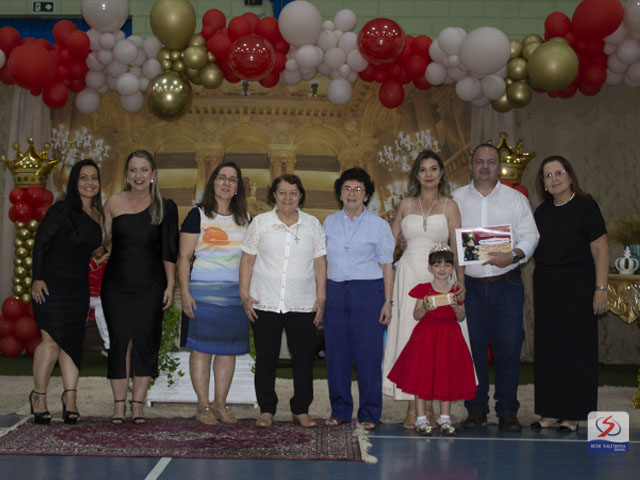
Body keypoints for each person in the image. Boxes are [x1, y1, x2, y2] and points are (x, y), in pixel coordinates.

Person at [453, 143, 539, 432]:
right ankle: (476, 408)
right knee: (473, 350)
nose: (485, 166)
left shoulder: (516, 199)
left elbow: (531, 235)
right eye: (480, 161)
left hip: (507, 285)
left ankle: (507, 410)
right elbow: (443, 235)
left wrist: (514, 255)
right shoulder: (455, 199)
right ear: (471, 166)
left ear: (499, 167)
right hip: (470, 287)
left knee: (508, 350)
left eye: (491, 162)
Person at [382, 150, 465, 430]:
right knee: (410, 339)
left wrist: (461, 281)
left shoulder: (450, 206)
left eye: (433, 169)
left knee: (438, 342)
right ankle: (412, 408)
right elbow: (388, 244)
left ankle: (431, 407)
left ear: (441, 173)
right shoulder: (405, 204)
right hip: (408, 276)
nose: (428, 174)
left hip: (440, 276)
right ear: (416, 175)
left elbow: (458, 248)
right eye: (423, 169)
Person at [239, 174, 326, 429]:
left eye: (293, 193)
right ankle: (267, 410)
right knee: (266, 358)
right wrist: (244, 294)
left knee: (303, 359)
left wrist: (321, 297)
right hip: (264, 300)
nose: (288, 197)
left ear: (300, 196)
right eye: (282, 192)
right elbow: (247, 260)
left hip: (303, 302)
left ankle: (301, 409)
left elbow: (320, 263)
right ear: (274, 196)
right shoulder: (260, 223)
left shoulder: (312, 225)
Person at [531, 155, 608, 433]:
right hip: (547, 290)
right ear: (543, 183)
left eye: (559, 173)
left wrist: (601, 288)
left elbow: (600, 248)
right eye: (548, 175)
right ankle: (550, 411)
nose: (554, 179)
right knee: (549, 349)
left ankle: (572, 415)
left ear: (570, 176)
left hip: (579, 289)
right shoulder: (541, 213)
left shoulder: (586, 206)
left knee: (576, 350)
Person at [101, 150, 178, 424]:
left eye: (144, 170)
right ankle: (118, 406)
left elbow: (169, 250)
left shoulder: (165, 207)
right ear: (126, 175)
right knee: (120, 342)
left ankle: (137, 406)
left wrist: (170, 284)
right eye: (133, 170)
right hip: (115, 286)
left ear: (153, 174)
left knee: (145, 342)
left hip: (151, 285)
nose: (139, 175)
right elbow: (101, 241)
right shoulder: (113, 202)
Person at [30, 159, 103, 424]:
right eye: (83, 177)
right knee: (51, 342)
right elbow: (41, 243)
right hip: (50, 284)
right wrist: (37, 278)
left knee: (72, 343)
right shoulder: (61, 210)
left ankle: (70, 399)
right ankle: (38, 397)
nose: (89, 183)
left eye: (94, 178)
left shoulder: (98, 214)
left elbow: (91, 247)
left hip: (78, 287)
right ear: (74, 181)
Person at [178, 162, 251, 425]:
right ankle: (202, 405)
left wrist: (246, 293)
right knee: (201, 351)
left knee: (227, 351)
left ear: (238, 187)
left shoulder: (246, 219)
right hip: (202, 296)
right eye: (222, 177)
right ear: (213, 182)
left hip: (234, 297)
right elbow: (184, 258)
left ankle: (220, 404)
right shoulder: (197, 215)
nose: (226, 183)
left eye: (232, 179)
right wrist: (185, 293)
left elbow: (250, 260)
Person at [323, 168, 395, 431]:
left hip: (368, 293)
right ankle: (340, 410)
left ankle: (369, 413)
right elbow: (321, 262)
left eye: (357, 189)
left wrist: (388, 301)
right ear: (339, 193)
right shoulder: (329, 222)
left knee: (368, 355)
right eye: (346, 188)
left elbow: (387, 266)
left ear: (366, 195)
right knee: (336, 355)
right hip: (335, 292)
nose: (351, 194)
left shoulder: (379, 226)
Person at [387, 245, 476, 436]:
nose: (442, 269)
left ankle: (445, 419)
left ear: (452, 268)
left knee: (446, 376)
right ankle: (421, 419)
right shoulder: (424, 289)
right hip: (426, 338)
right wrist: (425, 308)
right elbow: (416, 314)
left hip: (449, 337)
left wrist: (456, 308)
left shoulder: (455, 290)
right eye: (437, 265)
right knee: (422, 376)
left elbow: (461, 317)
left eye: (446, 265)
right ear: (430, 268)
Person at [89, 246, 110, 355]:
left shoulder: (106, 262)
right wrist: (97, 262)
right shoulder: (85, 259)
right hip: (82, 295)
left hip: (98, 296)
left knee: (101, 315)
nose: (99, 251)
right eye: (97, 248)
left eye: (101, 249)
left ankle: (108, 346)